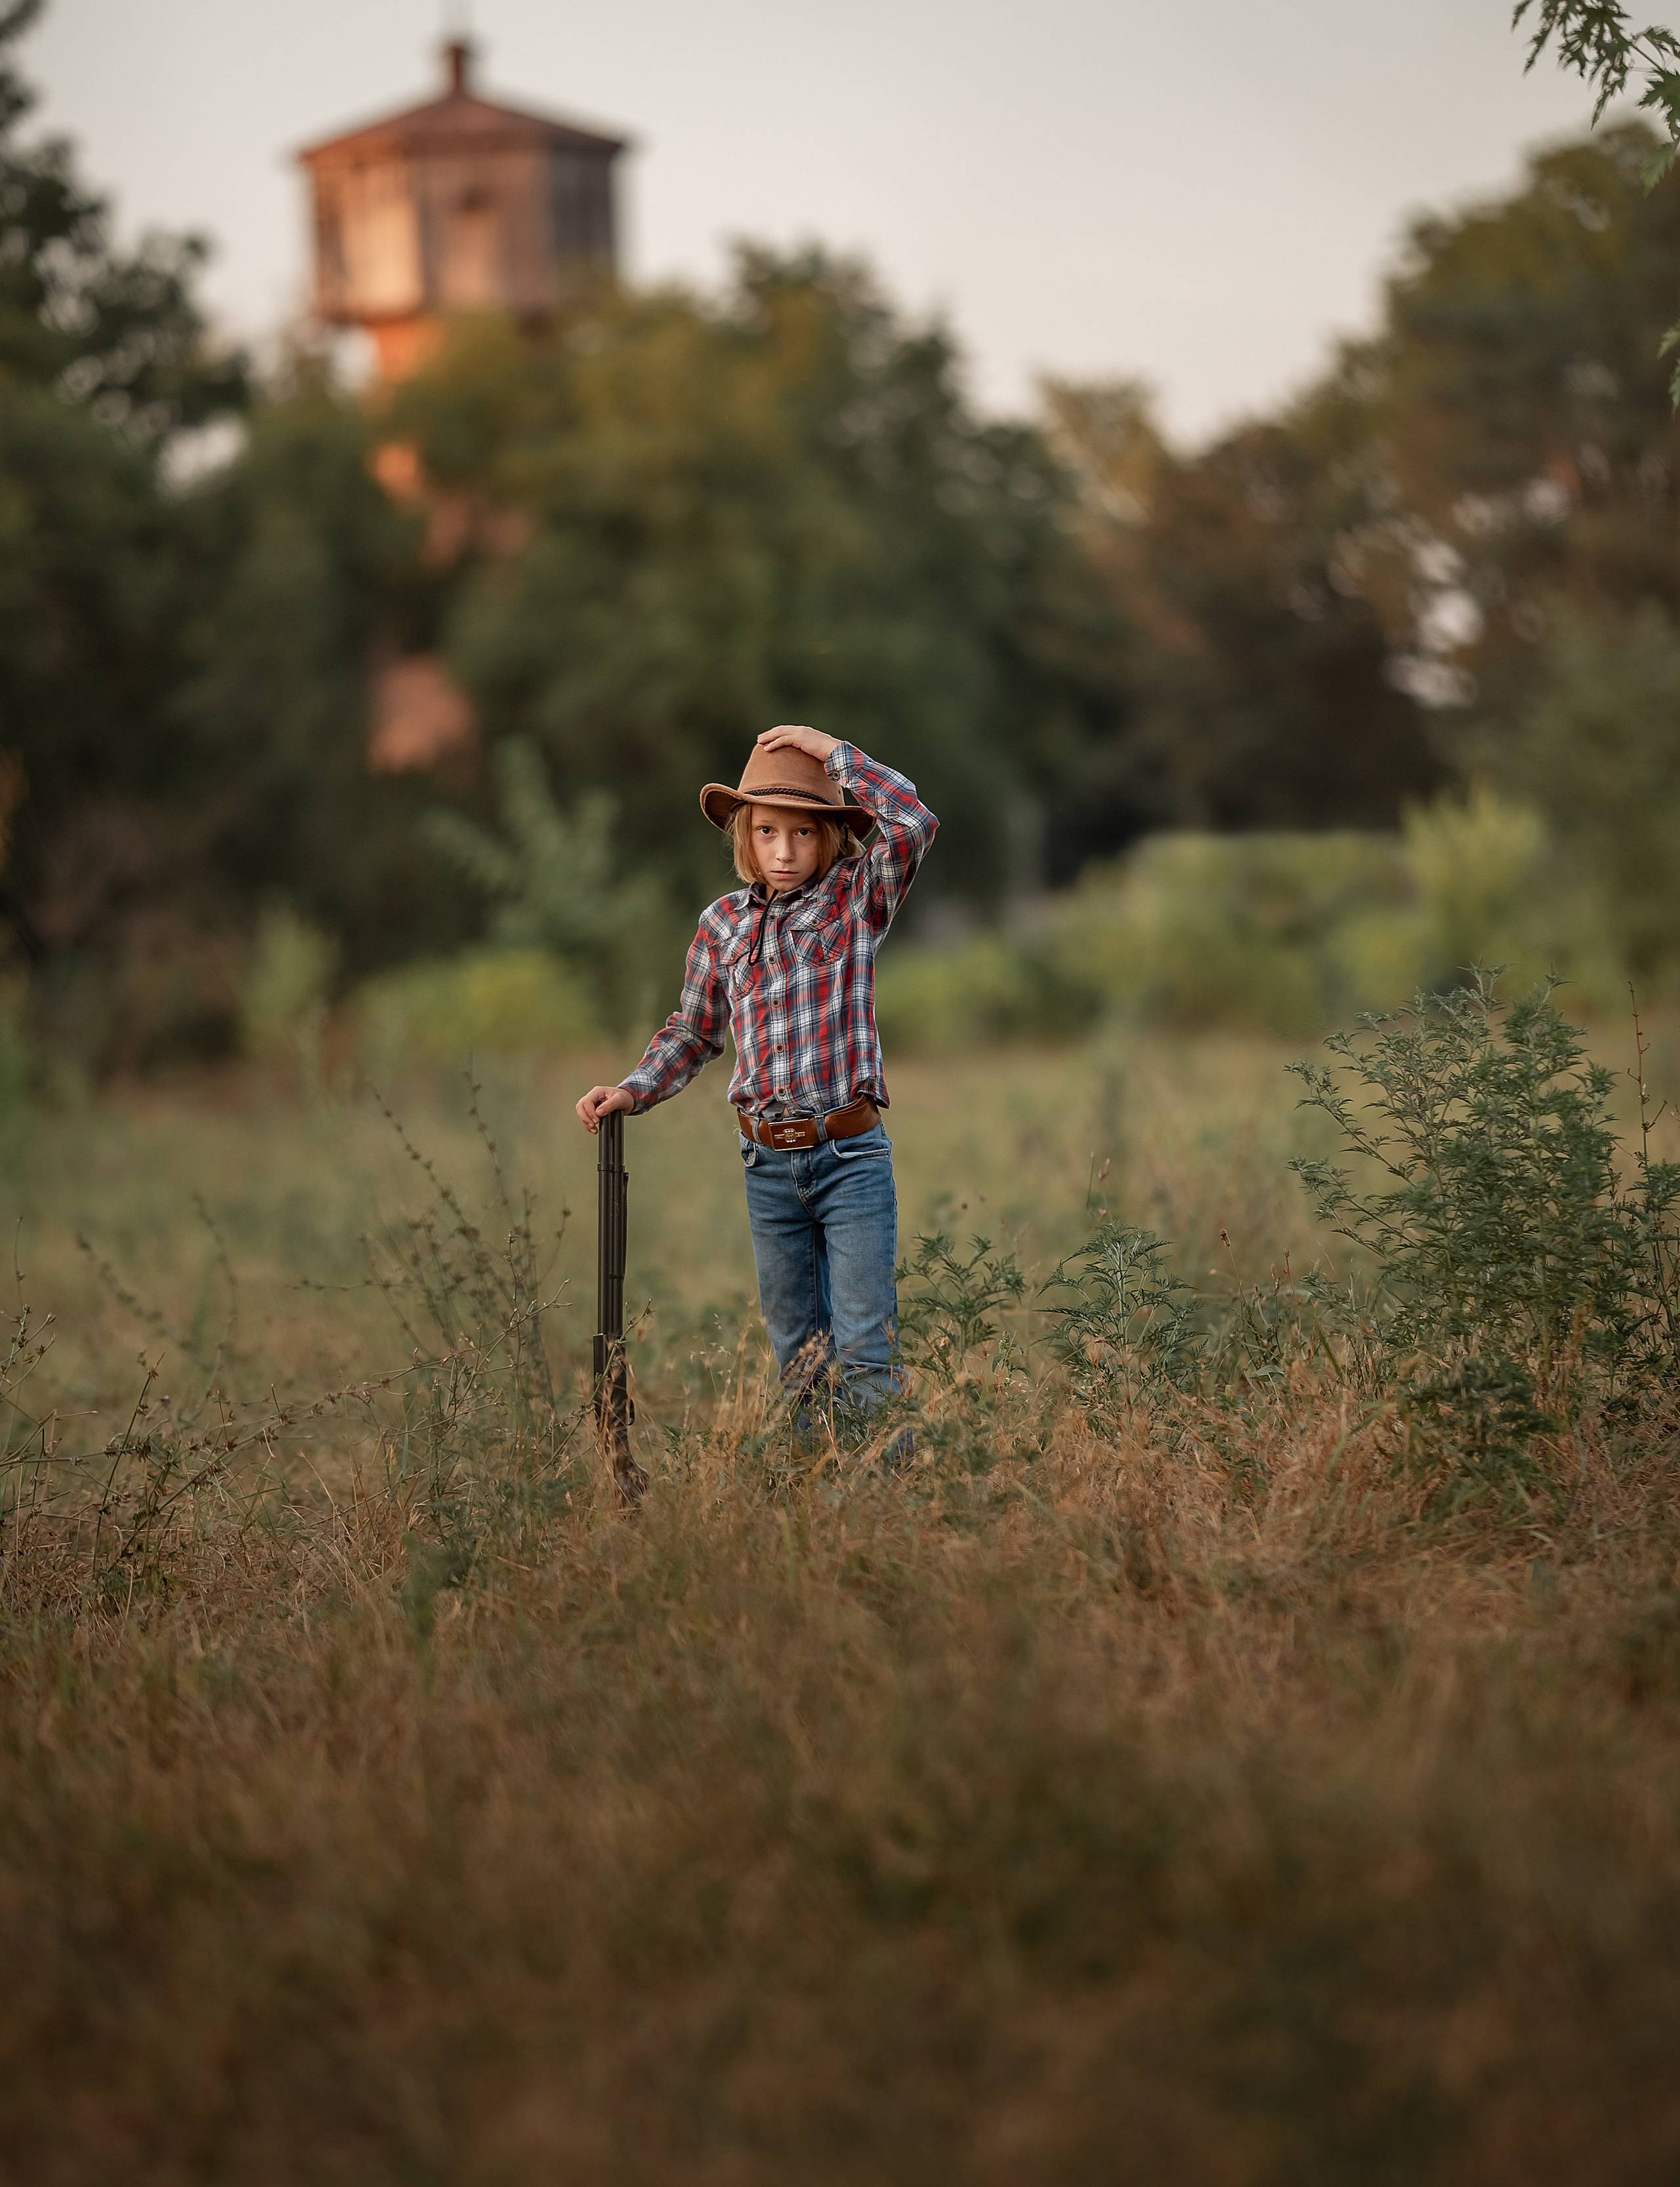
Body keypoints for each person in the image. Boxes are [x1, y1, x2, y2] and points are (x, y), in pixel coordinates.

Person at [576, 724, 938, 1430]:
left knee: (865, 1344)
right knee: (798, 1352)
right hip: (767, 1165)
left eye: (804, 833)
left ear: (831, 836)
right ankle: (814, 1488)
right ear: (744, 833)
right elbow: (691, 1031)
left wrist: (827, 747)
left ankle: (880, 1503)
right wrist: (632, 1089)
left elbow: (913, 821)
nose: (784, 851)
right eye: (768, 831)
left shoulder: (854, 898)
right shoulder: (722, 926)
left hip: (849, 1158)